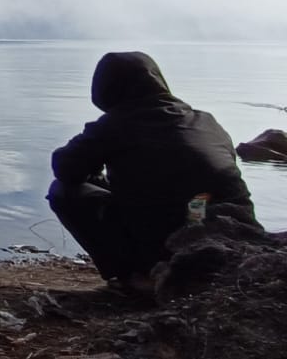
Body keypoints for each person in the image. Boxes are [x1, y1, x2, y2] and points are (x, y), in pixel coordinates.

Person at [48, 51, 257, 293]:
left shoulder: (116, 125)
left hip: (168, 244)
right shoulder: (205, 120)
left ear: (106, 88)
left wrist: (95, 164)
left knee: (63, 191)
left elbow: (65, 168)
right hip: (235, 231)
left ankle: (135, 277)